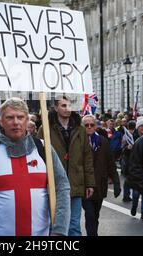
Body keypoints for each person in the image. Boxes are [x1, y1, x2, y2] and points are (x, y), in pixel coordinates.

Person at [0, 98, 70, 236]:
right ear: (1, 121)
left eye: (20, 117)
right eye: (10, 117)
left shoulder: (44, 150)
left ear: (27, 120)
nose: (16, 122)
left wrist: (60, 231)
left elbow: (62, 188)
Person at [37, 95, 95, 236]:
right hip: (53, 184)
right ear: (56, 108)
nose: (67, 109)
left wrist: (90, 183)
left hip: (75, 184)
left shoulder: (80, 130)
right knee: (54, 225)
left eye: (69, 105)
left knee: (74, 225)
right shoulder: (45, 129)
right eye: (63, 105)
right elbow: (38, 156)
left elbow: (87, 157)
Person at [81, 115, 121, 236]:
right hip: (85, 187)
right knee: (90, 215)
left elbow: (110, 163)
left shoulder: (103, 141)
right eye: (86, 125)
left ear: (96, 126)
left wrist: (116, 183)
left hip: (100, 185)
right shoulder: (78, 141)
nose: (89, 127)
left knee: (95, 215)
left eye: (91, 125)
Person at [124, 119, 143, 221]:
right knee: (136, 194)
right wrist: (128, 149)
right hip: (135, 170)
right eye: (141, 126)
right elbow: (124, 153)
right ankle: (134, 205)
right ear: (137, 128)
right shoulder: (131, 138)